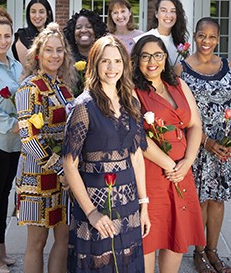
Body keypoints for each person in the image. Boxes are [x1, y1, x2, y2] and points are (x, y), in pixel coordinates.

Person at [62, 35, 151, 272]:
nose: (112, 68)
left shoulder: (131, 102)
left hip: (128, 202)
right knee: (98, 265)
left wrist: (144, 205)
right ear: (95, 64)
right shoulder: (84, 106)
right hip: (95, 202)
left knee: (126, 264)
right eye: (105, 61)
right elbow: (69, 165)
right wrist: (91, 213)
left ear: (124, 64)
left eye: (117, 61)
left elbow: (137, 156)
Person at [131, 35, 206, 273]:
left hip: (182, 171)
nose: (152, 61)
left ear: (165, 58)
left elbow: (195, 125)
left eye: (157, 55)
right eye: (145, 56)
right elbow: (136, 136)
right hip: (152, 171)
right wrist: (169, 164)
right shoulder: (132, 91)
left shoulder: (179, 85)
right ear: (137, 60)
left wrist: (187, 162)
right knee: (149, 236)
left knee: (177, 237)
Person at [15, 23, 76, 273]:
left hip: (63, 177)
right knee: (37, 242)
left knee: (63, 239)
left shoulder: (64, 87)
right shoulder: (29, 87)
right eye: (49, 50)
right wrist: (62, 170)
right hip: (36, 175)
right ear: (38, 54)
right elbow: (29, 139)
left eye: (59, 50)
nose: (54, 55)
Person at [175, 17, 231, 273]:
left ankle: (213, 251)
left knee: (218, 199)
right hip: (196, 145)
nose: (206, 41)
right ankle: (198, 252)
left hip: (224, 145)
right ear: (194, 37)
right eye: (201, 36)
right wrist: (204, 141)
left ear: (218, 39)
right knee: (199, 199)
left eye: (211, 37)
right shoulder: (182, 69)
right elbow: (179, 112)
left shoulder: (228, 66)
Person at [0, 8, 22, 273]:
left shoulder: (17, 65)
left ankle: (1, 247)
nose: (3, 41)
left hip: (14, 144)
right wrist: (12, 124)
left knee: (3, 198)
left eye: (7, 35)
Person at [134, 0, 189, 65]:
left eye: (173, 11)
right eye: (164, 10)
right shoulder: (142, 39)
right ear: (156, 14)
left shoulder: (179, 41)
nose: (168, 15)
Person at [12, 0, 54, 65]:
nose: (37, 16)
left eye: (41, 12)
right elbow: (27, 67)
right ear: (29, 14)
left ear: (48, 14)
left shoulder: (55, 35)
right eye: (33, 12)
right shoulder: (22, 36)